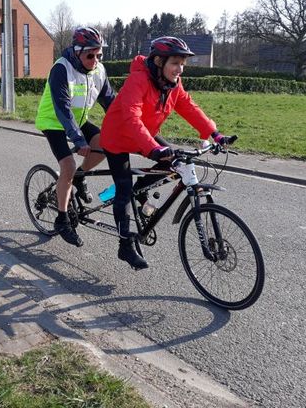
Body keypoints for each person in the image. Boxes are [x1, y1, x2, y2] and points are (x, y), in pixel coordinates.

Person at [100, 36, 235, 270]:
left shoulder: (173, 84)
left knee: (175, 162)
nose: (180, 69)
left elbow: (190, 108)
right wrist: (154, 148)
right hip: (118, 137)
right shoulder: (138, 80)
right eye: (175, 63)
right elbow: (131, 118)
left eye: (183, 64)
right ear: (159, 61)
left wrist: (215, 135)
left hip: (146, 134)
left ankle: (139, 192)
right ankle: (125, 245)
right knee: (123, 190)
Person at [35, 27, 115, 247]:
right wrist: (78, 140)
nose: (96, 60)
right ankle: (62, 219)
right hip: (54, 122)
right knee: (67, 166)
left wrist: (130, 129)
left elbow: (111, 104)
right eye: (91, 55)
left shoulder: (99, 71)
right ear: (77, 51)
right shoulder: (61, 68)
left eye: (99, 55)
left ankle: (80, 175)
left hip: (77, 122)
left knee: (104, 144)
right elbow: (63, 108)